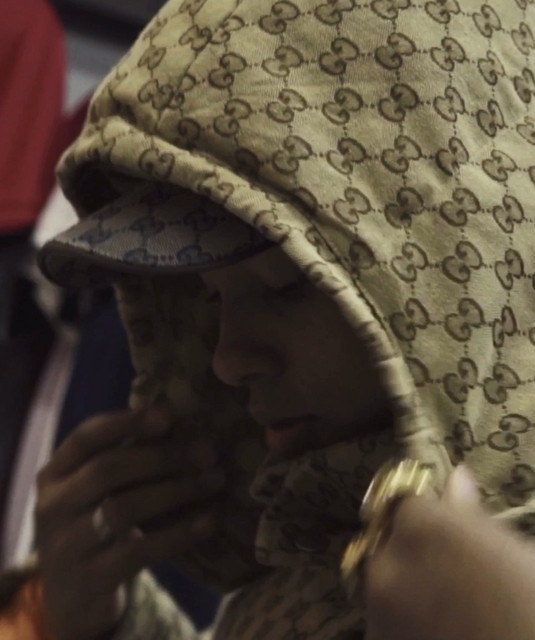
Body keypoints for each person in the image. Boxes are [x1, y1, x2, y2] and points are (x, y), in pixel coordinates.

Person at [31, 0, 535, 638]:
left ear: (455, 270)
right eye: (209, 297)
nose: (225, 359)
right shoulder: (319, 542)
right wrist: (104, 622)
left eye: (284, 286)